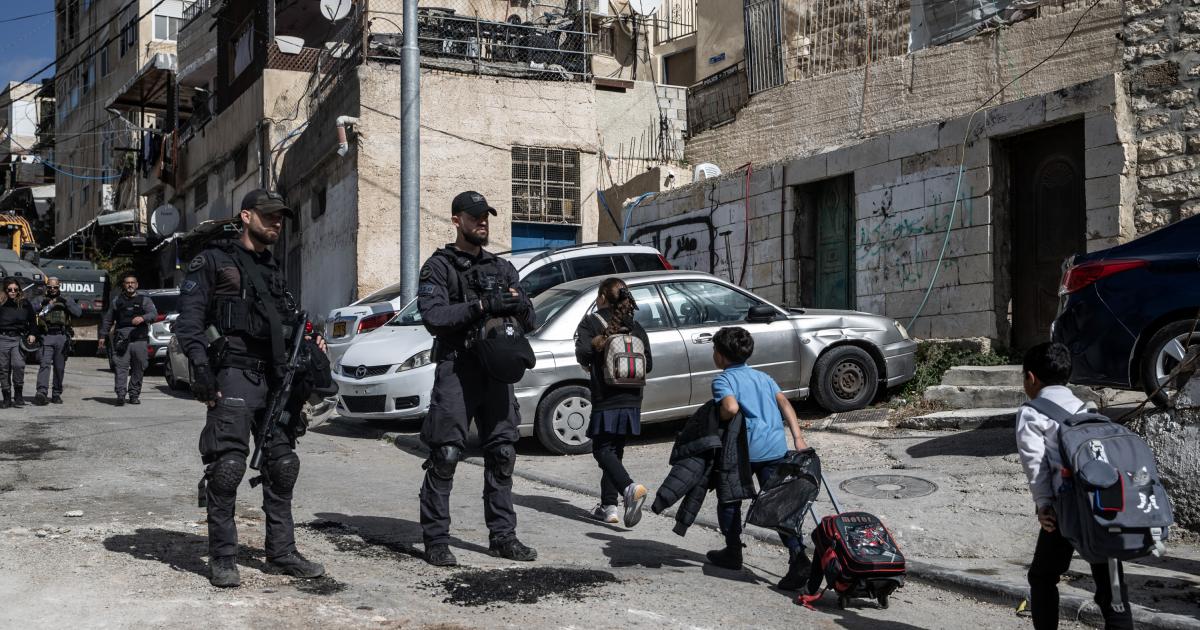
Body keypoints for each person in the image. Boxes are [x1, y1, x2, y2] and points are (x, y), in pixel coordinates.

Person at [174, 189, 325, 588]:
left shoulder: (272, 268)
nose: (276, 222)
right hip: (234, 374)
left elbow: (286, 321)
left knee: (283, 464)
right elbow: (188, 323)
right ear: (246, 216)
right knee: (227, 468)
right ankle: (223, 558)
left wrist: (309, 345)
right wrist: (201, 369)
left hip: (275, 378)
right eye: (268, 215)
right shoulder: (213, 260)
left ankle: (281, 552)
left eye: (280, 217)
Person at [416, 190, 538, 567]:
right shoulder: (439, 267)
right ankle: (436, 540)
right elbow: (434, 317)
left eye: (486, 216)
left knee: (502, 453)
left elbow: (531, 319)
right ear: (457, 221)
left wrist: (518, 304)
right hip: (458, 367)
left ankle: (503, 536)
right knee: (446, 454)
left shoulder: (502, 268)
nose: (482, 222)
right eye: (474, 217)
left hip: (497, 371)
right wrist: (481, 305)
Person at [1017, 342, 1133, 629]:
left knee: (1043, 577)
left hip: (1065, 509)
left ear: (1031, 378)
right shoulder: (1086, 407)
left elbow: (1036, 465)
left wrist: (1044, 504)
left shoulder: (1032, 413)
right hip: (1104, 503)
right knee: (1113, 589)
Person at [706, 326, 812, 591]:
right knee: (779, 504)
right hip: (775, 447)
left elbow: (730, 408)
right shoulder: (763, 377)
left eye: (714, 350)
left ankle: (733, 551)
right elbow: (784, 403)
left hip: (744, 451)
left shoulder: (723, 381)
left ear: (720, 355)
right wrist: (798, 438)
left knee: (729, 498)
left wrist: (718, 416)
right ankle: (797, 556)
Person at [574, 277, 652, 527]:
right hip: (632, 398)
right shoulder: (635, 325)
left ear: (602, 297)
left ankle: (629, 488)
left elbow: (583, 352)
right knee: (614, 451)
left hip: (606, 396)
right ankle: (609, 506)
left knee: (601, 450)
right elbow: (648, 364)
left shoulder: (592, 322)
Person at [97, 274, 156, 406]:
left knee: (139, 368)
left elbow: (153, 314)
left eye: (132, 283)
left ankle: (134, 395)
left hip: (139, 340)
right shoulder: (117, 301)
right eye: (127, 283)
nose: (130, 285)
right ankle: (121, 395)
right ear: (124, 285)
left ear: (137, 285)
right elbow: (108, 320)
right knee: (120, 368)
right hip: (122, 340)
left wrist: (143, 318)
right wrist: (102, 336)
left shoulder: (145, 300)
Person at [31, 277, 82, 405]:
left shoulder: (66, 299)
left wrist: (65, 302)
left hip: (61, 336)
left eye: (55, 287)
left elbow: (78, 313)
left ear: (59, 286)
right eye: (50, 287)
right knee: (44, 365)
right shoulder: (40, 299)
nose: (52, 289)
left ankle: (56, 393)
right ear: (46, 287)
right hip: (46, 336)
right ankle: (41, 393)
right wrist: (42, 303)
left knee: (59, 367)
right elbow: (30, 310)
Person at [0, 278, 37, 409]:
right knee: (3, 369)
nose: (13, 292)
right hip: (2, 338)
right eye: (10, 289)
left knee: (18, 365)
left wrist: (32, 334)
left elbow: (33, 321)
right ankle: (6, 397)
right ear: (5, 290)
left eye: (15, 289)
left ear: (19, 290)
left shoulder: (24, 303)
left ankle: (18, 395)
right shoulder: (1, 303)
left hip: (18, 338)